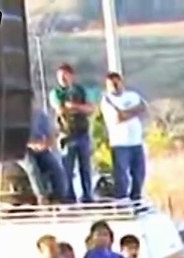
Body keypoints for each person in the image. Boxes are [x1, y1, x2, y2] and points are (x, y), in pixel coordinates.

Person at [50, 63, 95, 203]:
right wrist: (79, 108)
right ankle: (69, 196)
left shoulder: (80, 91)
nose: (63, 79)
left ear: (72, 76)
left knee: (85, 167)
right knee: (67, 168)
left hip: (82, 132)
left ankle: (87, 195)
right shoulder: (56, 93)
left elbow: (90, 109)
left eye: (65, 76)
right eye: (60, 77)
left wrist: (74, 106)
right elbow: (60, 109)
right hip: (66, 134)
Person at [100, 71, 148, 201]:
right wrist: (134, 111)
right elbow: (118, 117)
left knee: (139, 174)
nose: (115, 86)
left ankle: (136, 199)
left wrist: (126, 112)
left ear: (122, 82)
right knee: (122, 175)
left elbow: (144, 108)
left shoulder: (133, 96)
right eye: (112, 84)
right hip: (120, 143)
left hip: (136, 141)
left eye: (117, 83)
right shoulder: (107, 100)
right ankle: (121, 201)